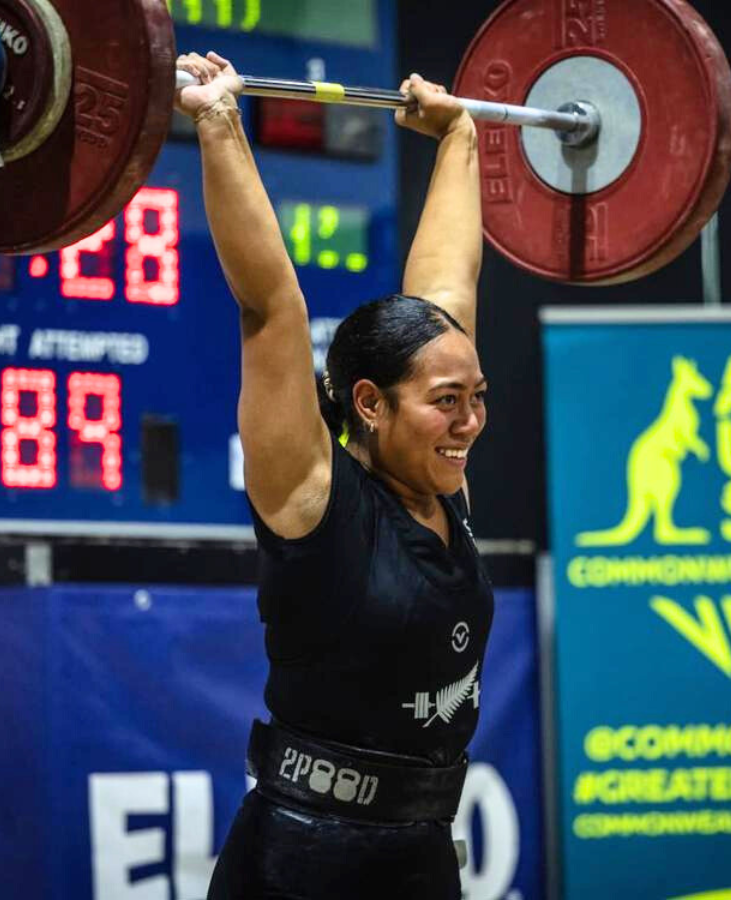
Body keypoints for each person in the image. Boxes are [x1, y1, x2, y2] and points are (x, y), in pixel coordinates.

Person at [175, 51, 491, 899]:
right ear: (370, 404)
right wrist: (216, 121)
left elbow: (446, 288)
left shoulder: (441, 485)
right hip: (304, 861)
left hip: (420, 848)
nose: (469, 423)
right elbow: (270, 302)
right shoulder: (313, 496)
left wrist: (458, 135)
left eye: (477, 398)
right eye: (449, 401)